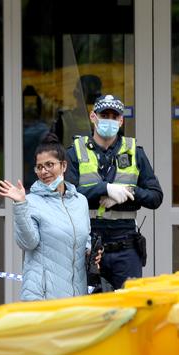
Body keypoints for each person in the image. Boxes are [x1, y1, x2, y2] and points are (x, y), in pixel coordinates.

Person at [65, 94, 163, 290]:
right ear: (93, 117)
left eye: (114, 116)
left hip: (125, 247)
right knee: (90, 312)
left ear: (120, 120)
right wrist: (105, 189)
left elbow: (155, 197)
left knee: (130, 308)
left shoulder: (135, 151)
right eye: (104, 115)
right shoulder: (75, 152)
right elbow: (68, 194)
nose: (109, 120)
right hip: (87, 244)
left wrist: (127, 192)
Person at [0, 133, 91, 301]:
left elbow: (85, 238)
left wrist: (91, 251)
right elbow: (28, 242)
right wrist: (20, 205)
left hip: (78, 295)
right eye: (39, 167)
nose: (44, 171)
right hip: (42, 296)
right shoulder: (31, 202)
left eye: (50, 165)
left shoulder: (80, 202)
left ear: (63, 166)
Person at [55, 74, 102, 146]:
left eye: (92, 100)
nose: (88, 104)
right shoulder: (65, 120)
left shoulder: (105, 121)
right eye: (88, 99)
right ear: (76, 95)